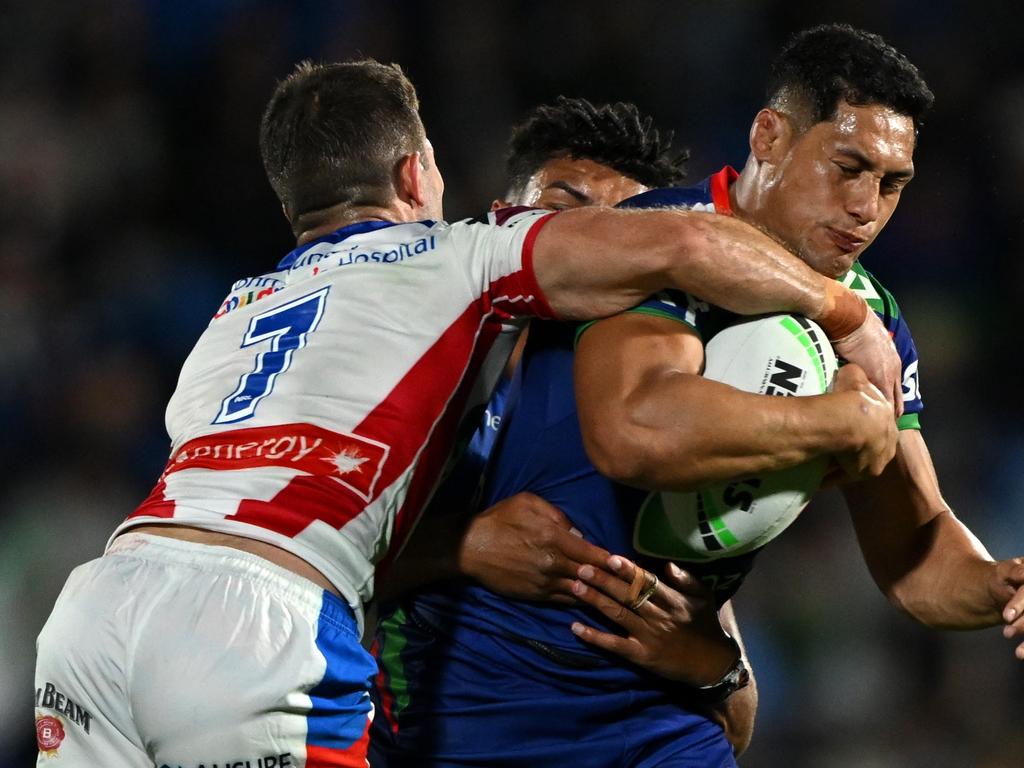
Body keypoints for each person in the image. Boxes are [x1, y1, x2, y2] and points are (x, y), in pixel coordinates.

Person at [31, 59, 897, 768]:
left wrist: (713, 664)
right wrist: (852, 317)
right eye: (579, 218)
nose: (607, 239)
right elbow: (688, 239)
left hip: (102, 605)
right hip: (271, 617)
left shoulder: (235, 311)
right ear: (422, 176)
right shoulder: (461, 261)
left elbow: (731, 693)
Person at [369, 25, 1024, 768]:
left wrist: (1001, 585)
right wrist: (834, 423)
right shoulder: (649, 239)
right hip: (487, 704)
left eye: (893, 183)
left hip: (665, 721)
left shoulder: (877, 322)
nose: (867, 207)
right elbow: (635, 429)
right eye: (848, 167)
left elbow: (914, 548)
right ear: (770, 136)